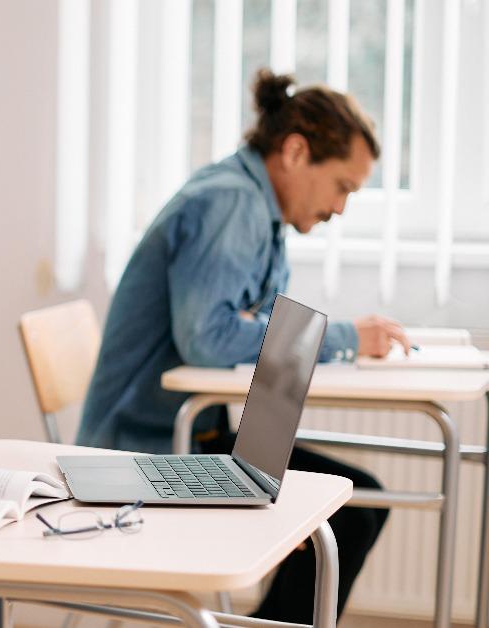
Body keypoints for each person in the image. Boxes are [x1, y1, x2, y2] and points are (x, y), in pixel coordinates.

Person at [76, 69, 396, 622]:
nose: (341, 207)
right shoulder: (232, 205)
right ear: (296, 151)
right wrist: (341, 337)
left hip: (190, 431)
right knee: (354, 509)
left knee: (353, 502)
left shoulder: (259, 211)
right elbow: (210, 339)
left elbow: (250, 330)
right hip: (145, 448)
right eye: (343, 185)